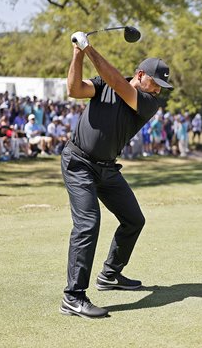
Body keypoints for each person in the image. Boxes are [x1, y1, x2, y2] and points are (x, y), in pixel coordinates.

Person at [59, 31, 173, 319]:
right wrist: (77, 54)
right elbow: (74, 89)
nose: (159, 90)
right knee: (88, 224)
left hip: (107, 168)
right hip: (79, 163)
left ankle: (110, 274)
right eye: (156, 83)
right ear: (141, 74)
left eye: (162, 86)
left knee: (134, 220)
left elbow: (119, 84)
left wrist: (89, 48)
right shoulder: (103, 84)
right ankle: (73, 297)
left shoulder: (148, 102)